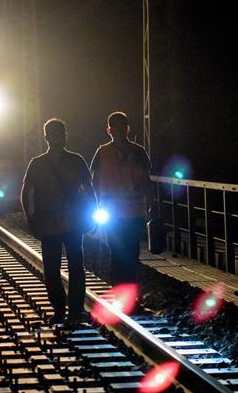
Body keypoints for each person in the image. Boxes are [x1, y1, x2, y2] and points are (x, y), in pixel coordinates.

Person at [21, 118, 94, 325]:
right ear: (65, 136)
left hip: (49, 223)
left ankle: (60, 309)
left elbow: (26, 193)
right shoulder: (76, 160)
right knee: (76, 267)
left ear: (45, 137)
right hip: (73, 222)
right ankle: (75, 310)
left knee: (52, 268)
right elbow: (89, 190)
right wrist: (92, 212)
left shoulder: (37, 164)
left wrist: (30, 217)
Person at [90, 111, 153, 285]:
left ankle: (125, 289)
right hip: (117, 212)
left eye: (120, 126)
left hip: (131, 212)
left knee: (130, 253)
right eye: (114, 127)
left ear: (127, 129)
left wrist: (150, 204)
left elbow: (147, 182)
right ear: (109, 130)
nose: (117, 130)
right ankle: (120, 288)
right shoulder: (104, 152)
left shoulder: (137, 152)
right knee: (119, 251)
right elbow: (94, 182)